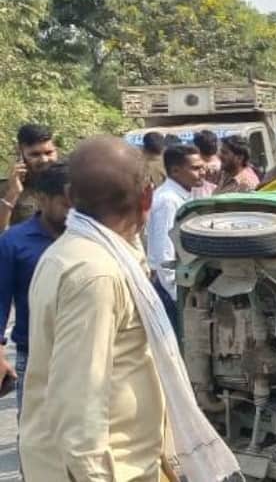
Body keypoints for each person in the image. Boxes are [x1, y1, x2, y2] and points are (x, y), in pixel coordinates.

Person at [21, 136, 240, 482]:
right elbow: (79, 406)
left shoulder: (76, 254)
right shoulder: (96, 274)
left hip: (135, 463)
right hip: (106, 471)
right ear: (147, 197)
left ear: (71, 196)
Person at [0, 163, 69, 415]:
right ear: (42, 199)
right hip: (34, 355)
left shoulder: (91, 238)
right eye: (66, 204)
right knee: (35, 429)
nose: (74, 211)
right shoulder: (13, 242)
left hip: (85, 350)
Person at [146, 144, 205, 335]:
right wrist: (175, 294)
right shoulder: (168, 201)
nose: (202, 172)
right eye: (195, 168)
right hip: (169, 288)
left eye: (202, 167)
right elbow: (164, 252)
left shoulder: (184, 195)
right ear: (175, 171)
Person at [0, 124, 58, 232]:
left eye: (49, 153)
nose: (44, 160)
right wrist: (13, 193)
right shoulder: (5, 189)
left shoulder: (70, 184)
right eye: (35, 154)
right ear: (20, 154)